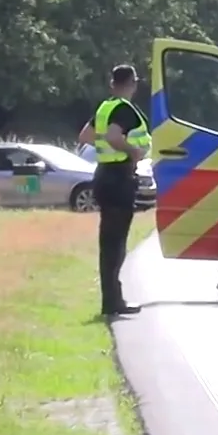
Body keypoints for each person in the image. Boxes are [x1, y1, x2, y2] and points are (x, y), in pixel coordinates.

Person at [77, 64, 151, 317]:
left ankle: (110, 298)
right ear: (132, 83)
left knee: (108, 242)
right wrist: (133, 151)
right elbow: (112, 136)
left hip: (103, 176)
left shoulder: (104, 107)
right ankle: (113, 301)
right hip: (119, 177)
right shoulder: (123, 109)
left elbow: (85, 136)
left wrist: (111, 145)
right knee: (116, 243)